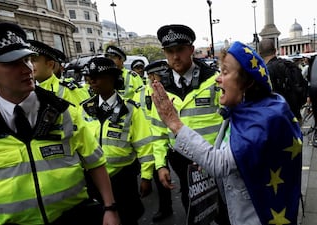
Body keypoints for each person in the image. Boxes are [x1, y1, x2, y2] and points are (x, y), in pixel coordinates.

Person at [0, 22, 120, 225]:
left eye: (27, 59)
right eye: (12, 63)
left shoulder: (63, 110)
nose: (26, 69)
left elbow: (95, 162)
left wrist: (110, 208)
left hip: (75, 218)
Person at [152, 41, 302, 225]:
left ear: (247, 81)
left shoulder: (264, 119)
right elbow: (224, 151)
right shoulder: (240, 110)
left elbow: (220, 163)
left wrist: (174, 123)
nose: (217, 78)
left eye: (225, 72)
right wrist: (203, 160)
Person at [155, 24, 229, 224]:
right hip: (182, 163)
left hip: (213, 160)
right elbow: (158, 130)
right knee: (194, 212)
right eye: (170, 51)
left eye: (180, 50)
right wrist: (161, 164)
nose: (175, 56)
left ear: (191, 49)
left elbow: (229, 122)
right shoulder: (159, 87)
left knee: (224, 212)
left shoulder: (214, 80)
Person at [80, 57, 154, 225]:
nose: (92, 81)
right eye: (90, 77)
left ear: (112, 78)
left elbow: (144, 145)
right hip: (91, 180)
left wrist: (147, 176)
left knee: (128, 218)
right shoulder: (83, 109)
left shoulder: (130, 109)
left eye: (97, 76)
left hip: (123, 180)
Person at [133, 60, 177, 222]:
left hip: (171, 141)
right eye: (161, 74)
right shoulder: (141, 94)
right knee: (160, 176)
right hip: (152, 141)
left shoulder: (172, 90)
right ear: (151, 76)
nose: (166, 76)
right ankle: (165, 208)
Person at [28, 39, 90, 106]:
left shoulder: (66, 90)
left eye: (33, 60)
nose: (29, 65)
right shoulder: (27, 90)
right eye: (27, 60)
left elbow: (80, 115)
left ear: (50, 64)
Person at [259, 38, 308, 121]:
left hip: (276, 121)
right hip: (295, 116)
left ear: (259, 54)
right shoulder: (289, 65)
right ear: (275, 50)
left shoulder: (263, 73)